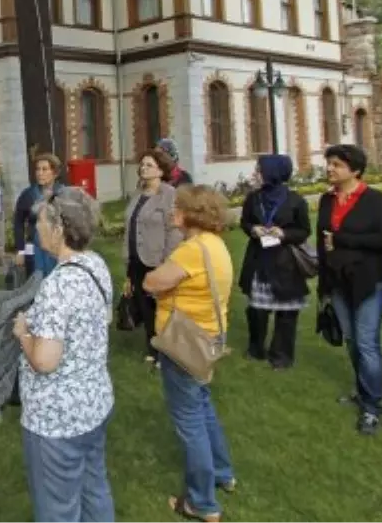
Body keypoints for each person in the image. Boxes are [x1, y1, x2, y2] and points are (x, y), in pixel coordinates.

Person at [14, 187, 115, 523]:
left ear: (59, 230)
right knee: (93, 487)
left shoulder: (58, 286)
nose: (37, 229)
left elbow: (44, 360)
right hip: (93, 404)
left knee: (58, 507)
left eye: (41, 223)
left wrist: (24, 334)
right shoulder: (96, 264)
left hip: (57, 419)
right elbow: (103, 318)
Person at [144, 184, 236, 522]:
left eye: (178, 207)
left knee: (190, 420)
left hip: (185, 342)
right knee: (203, 406)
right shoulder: (215, 244)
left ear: (191, 213)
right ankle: (223, 472)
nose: (172, 211)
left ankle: (202, 502)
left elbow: (152, 283)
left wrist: (154, 281)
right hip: (208, 336)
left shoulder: (190, 251)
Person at [315, 143, 382, 436]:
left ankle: (373, 407)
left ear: (355, 170)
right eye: (329, 164)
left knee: (367, 343)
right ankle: (362, 392)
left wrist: (342, 239)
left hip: (368, 282)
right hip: (338, 282)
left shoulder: (375, 200)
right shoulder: (327, 200)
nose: (330, 169)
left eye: (336, 164)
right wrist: (323, 283)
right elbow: (321, 243)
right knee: (351, 340)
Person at [237, 154, 311, 370]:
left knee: (286, 314)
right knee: (256, 310)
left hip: (285, 264)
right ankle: (256, 348)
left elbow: (304, 231)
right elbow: (245, 221)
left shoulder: (296, 201)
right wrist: (253, 229)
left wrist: (284, 233)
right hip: (259, 260)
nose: (255, 174)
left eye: (259, 170)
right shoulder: (253, 198)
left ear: (273, 173)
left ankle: (281, 356)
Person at [122, 150, 183, 366]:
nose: (143, 168)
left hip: (157, 259)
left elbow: (174, 231)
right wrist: (128, 263)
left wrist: (167, 262)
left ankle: (167, 351)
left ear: (161, 170)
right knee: (144, 305)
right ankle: (153, 347)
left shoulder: (169, 195)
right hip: (137, 259)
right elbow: (130, 227)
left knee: (162, 306)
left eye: (148, 165)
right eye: (142, 165)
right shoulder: (138, 193)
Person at [13, 153, 67, 279]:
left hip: (57, 247)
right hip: (34, 247)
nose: (40, 173)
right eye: (37, 169)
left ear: (55, 173)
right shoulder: (28, 195)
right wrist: (20, 250)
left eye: (44, 169)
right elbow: (18, 223)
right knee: (35, 280)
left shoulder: (63, 193)